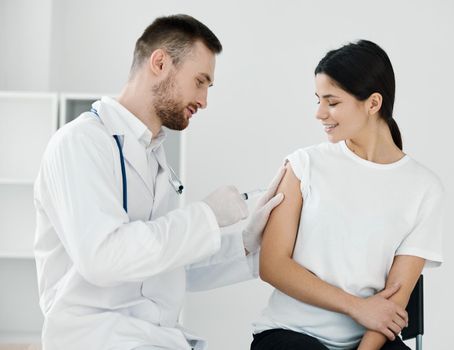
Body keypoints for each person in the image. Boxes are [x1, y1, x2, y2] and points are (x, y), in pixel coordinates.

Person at [33, 14, 285, 350]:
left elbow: (167, 266)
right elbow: (102, 258)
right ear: (161, 62)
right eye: (200, 81)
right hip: (96, 339)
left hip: (152, 338)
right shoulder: (81, 143)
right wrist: (206, 216)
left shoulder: (152, 156)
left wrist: (246, 245)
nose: (204, 101)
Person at [251, 40, 445, 350]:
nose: (319, 113)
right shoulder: (304, 165)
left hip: (370, 339)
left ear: (372, 103)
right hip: (290, 334)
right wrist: (357, 306)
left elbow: (395, 297)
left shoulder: (424, 188)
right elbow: (272, 265)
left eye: (332, 101)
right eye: (318, 100)